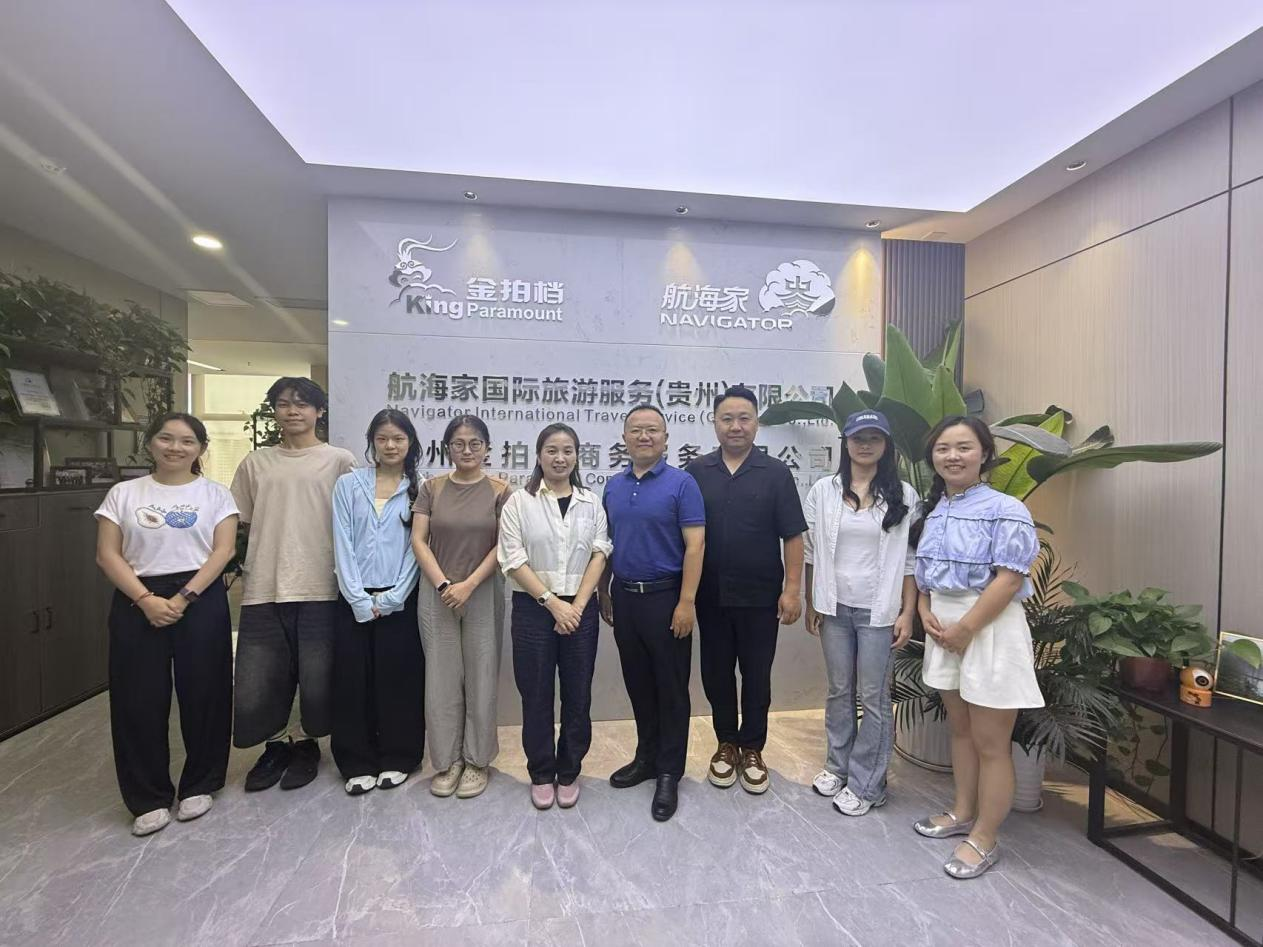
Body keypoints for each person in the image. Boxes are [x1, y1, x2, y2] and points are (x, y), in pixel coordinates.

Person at [911, 415, 1043, 879]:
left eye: (964, 447)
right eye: (943, 448)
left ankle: (985, 837)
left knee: (991, 742)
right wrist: (925, 609)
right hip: (944, 627)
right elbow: (924, 575)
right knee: (961, 729)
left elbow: (1009, 579)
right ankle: (963, 811)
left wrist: (967, 627)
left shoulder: (1006, 508)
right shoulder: (935, 510)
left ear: (984, 454)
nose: (953, 456)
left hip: (988, 627)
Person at [94, 413, 238, 836]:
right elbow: (107, 554)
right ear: (150, 443)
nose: (176, 448)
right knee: (138, 698)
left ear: (201, 449)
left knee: (206, 692)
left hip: (199, 595)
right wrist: (145, 599)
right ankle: (147, 797)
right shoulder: (124, 494)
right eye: (166, 438)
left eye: (187, 441)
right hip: (137, 598)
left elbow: (223, 550)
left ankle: (201, 783)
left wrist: (183, 598)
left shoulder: (215, 494)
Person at [230, 377, 356, 792]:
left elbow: (354, 521)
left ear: (319, 411)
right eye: (284, 404)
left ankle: (306, 745)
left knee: (318, 676)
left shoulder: (339, 461)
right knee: (262, 676)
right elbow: (241, 522)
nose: (292, 411)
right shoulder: (255, 463)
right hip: (265, 583)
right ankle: (274, 746)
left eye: (302, 404)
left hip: (321, 583)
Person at [686, 386, 806, 795]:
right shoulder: (696, 472)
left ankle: (753, 748)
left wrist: (793, 590)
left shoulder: (776, 472)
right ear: (714, 423)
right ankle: (726, 743)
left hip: (761, 597)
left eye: (744, 418)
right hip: (710, 596)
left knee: (756, 675)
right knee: (716, 673)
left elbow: (793, 536)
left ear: (756, 423)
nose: (735, 426)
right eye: (727, 419)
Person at [803, 410, 918, 816]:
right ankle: (837, 766)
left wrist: (907, 612)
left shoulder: (903, 495)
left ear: (886, 445)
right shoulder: (824, 490)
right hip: (834, 607)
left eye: (874, 438)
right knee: (839, 690)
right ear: (846, 443)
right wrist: (811, 601)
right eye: (857, 438)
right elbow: (811, 551)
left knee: (873, 697)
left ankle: (868, 783)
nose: (865, 445)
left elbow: (910, 561)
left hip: (878, 611)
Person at [599, 404, 705, 822]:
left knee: (671, 689)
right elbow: (606, 545)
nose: (644, 436)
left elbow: (695, 546)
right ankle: (645, 758)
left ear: (665, 438)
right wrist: (605, 590)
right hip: (625, 598)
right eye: (636, 430)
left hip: (667, 599)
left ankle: (668, 772)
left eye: (653, 430)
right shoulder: (613, 486)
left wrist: (687, 602)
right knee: (639, 684)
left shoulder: (682, 484)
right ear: (624, 438)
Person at [498, 423, 611, 809]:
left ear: (577, 456)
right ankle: (542, 772)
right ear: (539, 455)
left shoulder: (590, 502)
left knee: (578, 694)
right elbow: (513, 558)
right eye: (551, 450)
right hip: (534, 609)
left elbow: (600, 553)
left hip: (581, 609)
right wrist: (552, 603)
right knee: (536, 693)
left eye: (567, 451)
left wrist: (576, 606)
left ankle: (569, 770)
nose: (559, 458)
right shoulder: (519, 502)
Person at [411, 414, 511, 799]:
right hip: (437, 591)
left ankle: (476, 759)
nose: (467, 450)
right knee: (440, 678)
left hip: (482, 590)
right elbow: (419, 540)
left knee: (481, 675)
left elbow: (504, 545)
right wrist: (443, 583)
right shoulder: (431, 488)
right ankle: (448, 760)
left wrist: (468, 584)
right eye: (458, 444)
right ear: (447, 448)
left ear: (487, 448)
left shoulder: (501, 491)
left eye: (475, 444)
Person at [331, 409, 425, 795]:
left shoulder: (420, 488)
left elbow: (417, 548)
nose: (390, 445)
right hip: (352, 598)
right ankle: (356, 761)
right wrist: (356, 597)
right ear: (372, 442)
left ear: (410, 443)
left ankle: (399, 756)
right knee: (352, 681)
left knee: (398, 679)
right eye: (382, 438)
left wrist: (395, 597)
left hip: (400, 599)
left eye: (398, 438)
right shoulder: (348, 484)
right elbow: (341, 541)